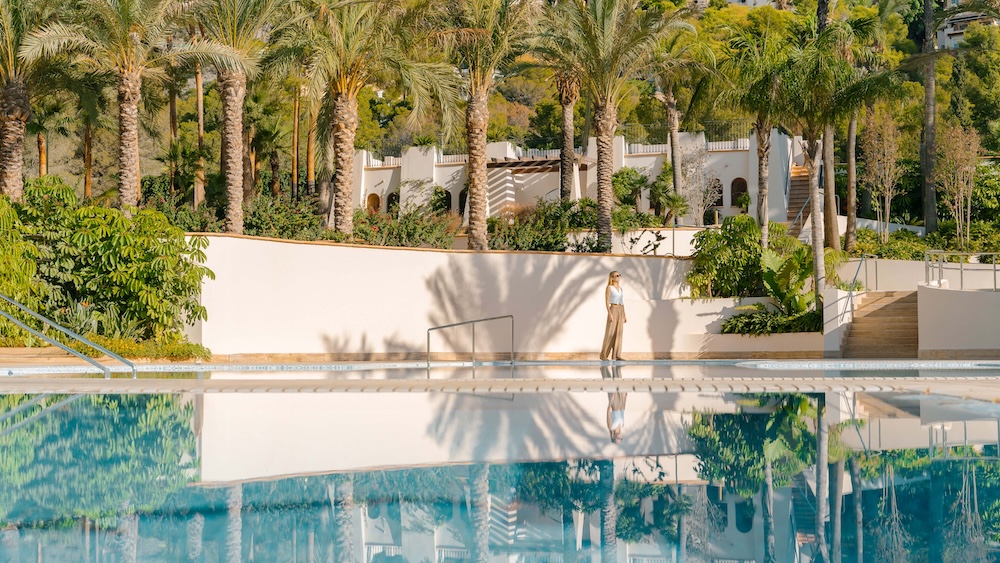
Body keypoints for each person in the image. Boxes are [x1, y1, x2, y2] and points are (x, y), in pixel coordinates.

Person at [600, 271, 626, 361]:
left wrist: (624, 315)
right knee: (610, 333)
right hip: (613, 309)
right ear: (612, 277)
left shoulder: (621, 289)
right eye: (617, 275)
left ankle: (617, 355)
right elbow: (607, 301)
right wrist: (610, 313)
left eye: (619, 275)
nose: (618, 277)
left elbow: (622, 302)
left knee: (619, 333)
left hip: (620, 309)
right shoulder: (609, 288)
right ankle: (604, 355)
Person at [601, 363, 626, 444]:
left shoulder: (611, 426)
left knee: (610, 383)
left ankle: (603, 367)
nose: (620, 437)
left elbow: (608, 412)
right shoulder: (622, 425)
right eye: (621, 439)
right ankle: (616, 366)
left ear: (614, 437)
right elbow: (623, 411)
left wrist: (611, 400)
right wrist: (625, 398)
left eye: (618, 439)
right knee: (619, 382)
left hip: (614, 404)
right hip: (621, 403)